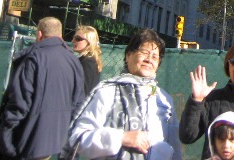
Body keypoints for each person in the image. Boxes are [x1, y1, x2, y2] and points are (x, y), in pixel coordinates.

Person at [66, 28, 182, 159]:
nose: (149, 59)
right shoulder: (108, 91)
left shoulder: (164, 99)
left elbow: (175, 146)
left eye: (155, 56)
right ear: (128, 55)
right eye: (144, 52)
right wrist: (121, 138)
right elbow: (78, 138)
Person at [0, 17, 84, 160]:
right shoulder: (73, 61)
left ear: (39, 34)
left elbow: (19, 103)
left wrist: (5, 137)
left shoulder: (34, 57)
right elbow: (78, 104)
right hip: (52, 141)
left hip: (24, 141)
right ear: (60, 35)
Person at [72, 26, 103, 95]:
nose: (73, 41)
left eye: (78, 38)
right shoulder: (87, 60)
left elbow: (85, 91)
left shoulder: (88, 62)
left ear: (89, 42)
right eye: (74, 37)